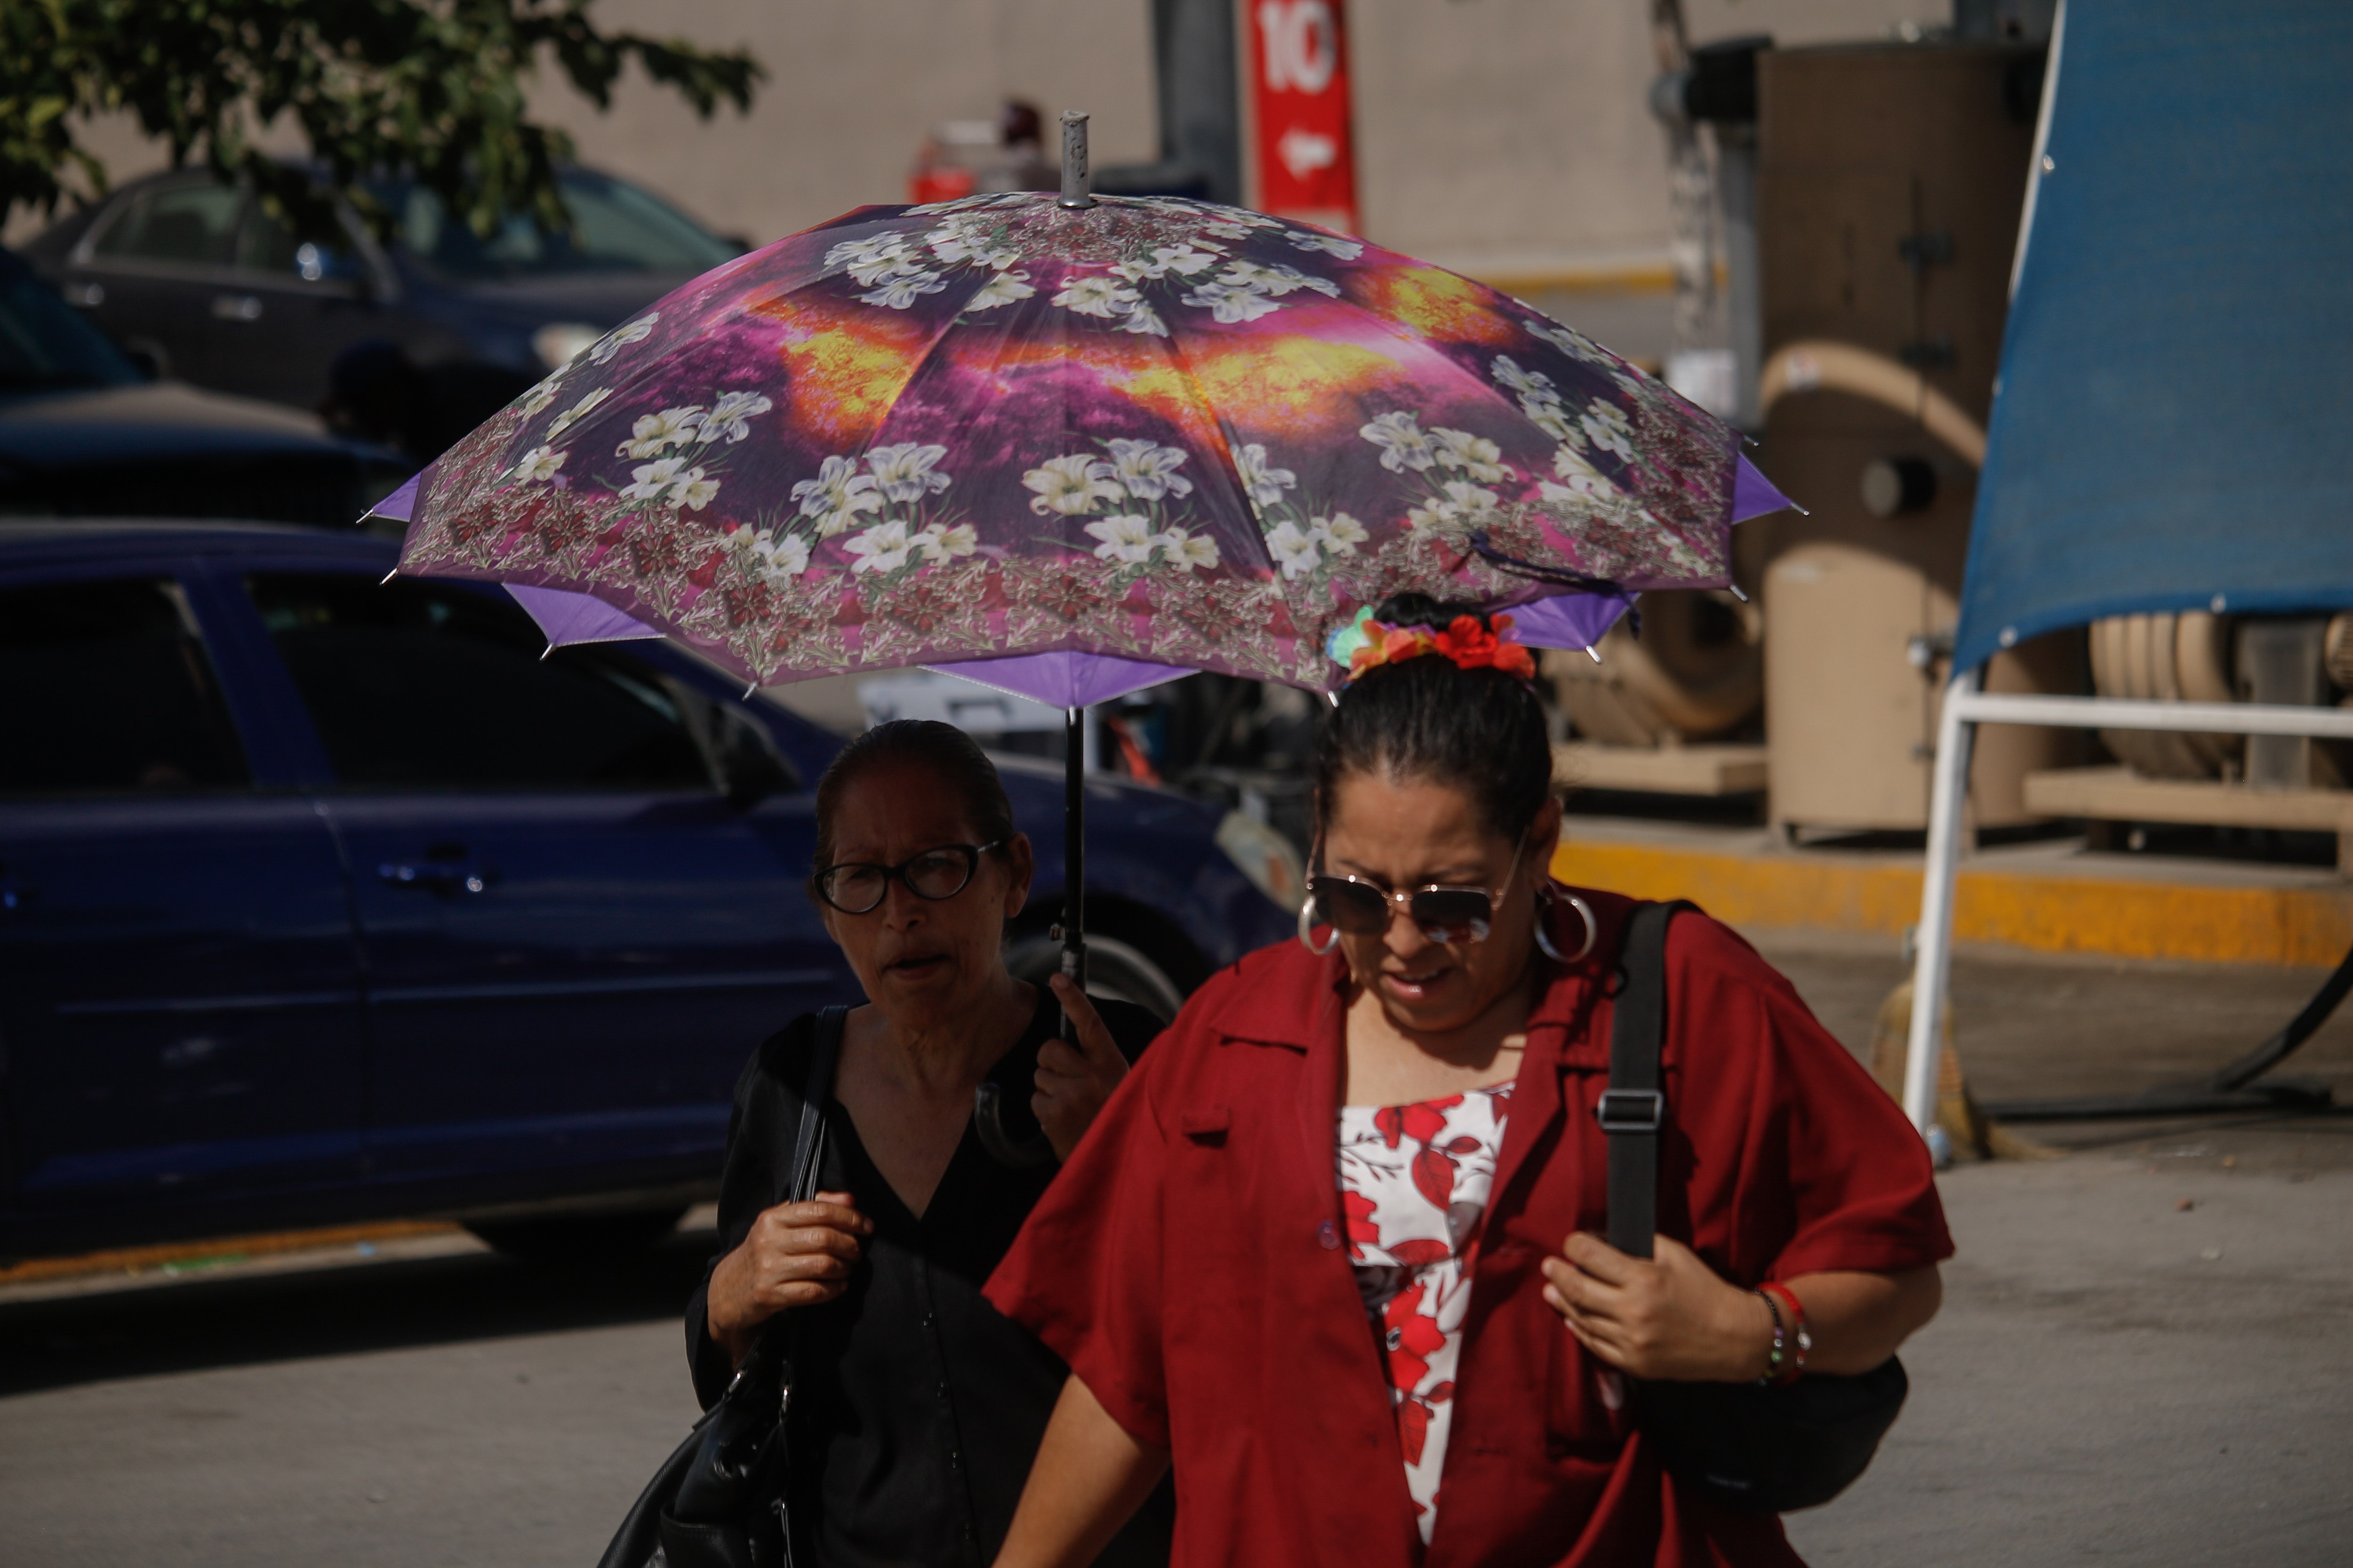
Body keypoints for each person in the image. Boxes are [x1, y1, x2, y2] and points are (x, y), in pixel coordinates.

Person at [984, 594, 1952, 1568]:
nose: (1404, 941)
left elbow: (1899, 1268)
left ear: (1540, 839)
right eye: (1357, 894)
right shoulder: (1228, 1037)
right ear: (1316, 835)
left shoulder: (1688, 993)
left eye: (1453, 902)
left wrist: (1751, 1335)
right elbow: (1128, 1378)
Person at [686, 719, 1172, 1568]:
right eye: (861, 877)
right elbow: (733, 1363)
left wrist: (1118, 1165)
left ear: (1014, 875)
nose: (901, 911)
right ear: (826, 909)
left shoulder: (1120, 1063)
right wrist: (734, 1292)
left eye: (937, 864)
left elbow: (1219, 1329)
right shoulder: (792, 1084)